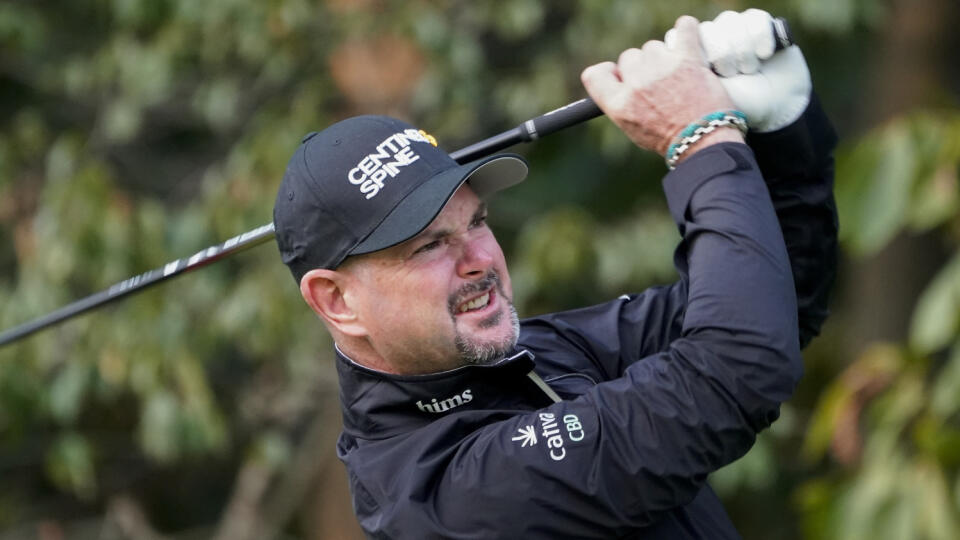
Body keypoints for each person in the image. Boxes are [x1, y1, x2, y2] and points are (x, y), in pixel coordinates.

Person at [272, 9, 837, 539]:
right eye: (429, 247)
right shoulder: (445, 498)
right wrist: (702, 139)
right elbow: (736, 369)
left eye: (478, 221)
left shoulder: (532, 354)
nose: (480, 259)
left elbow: (772, 301)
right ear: (337, 301)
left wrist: (785, 132)